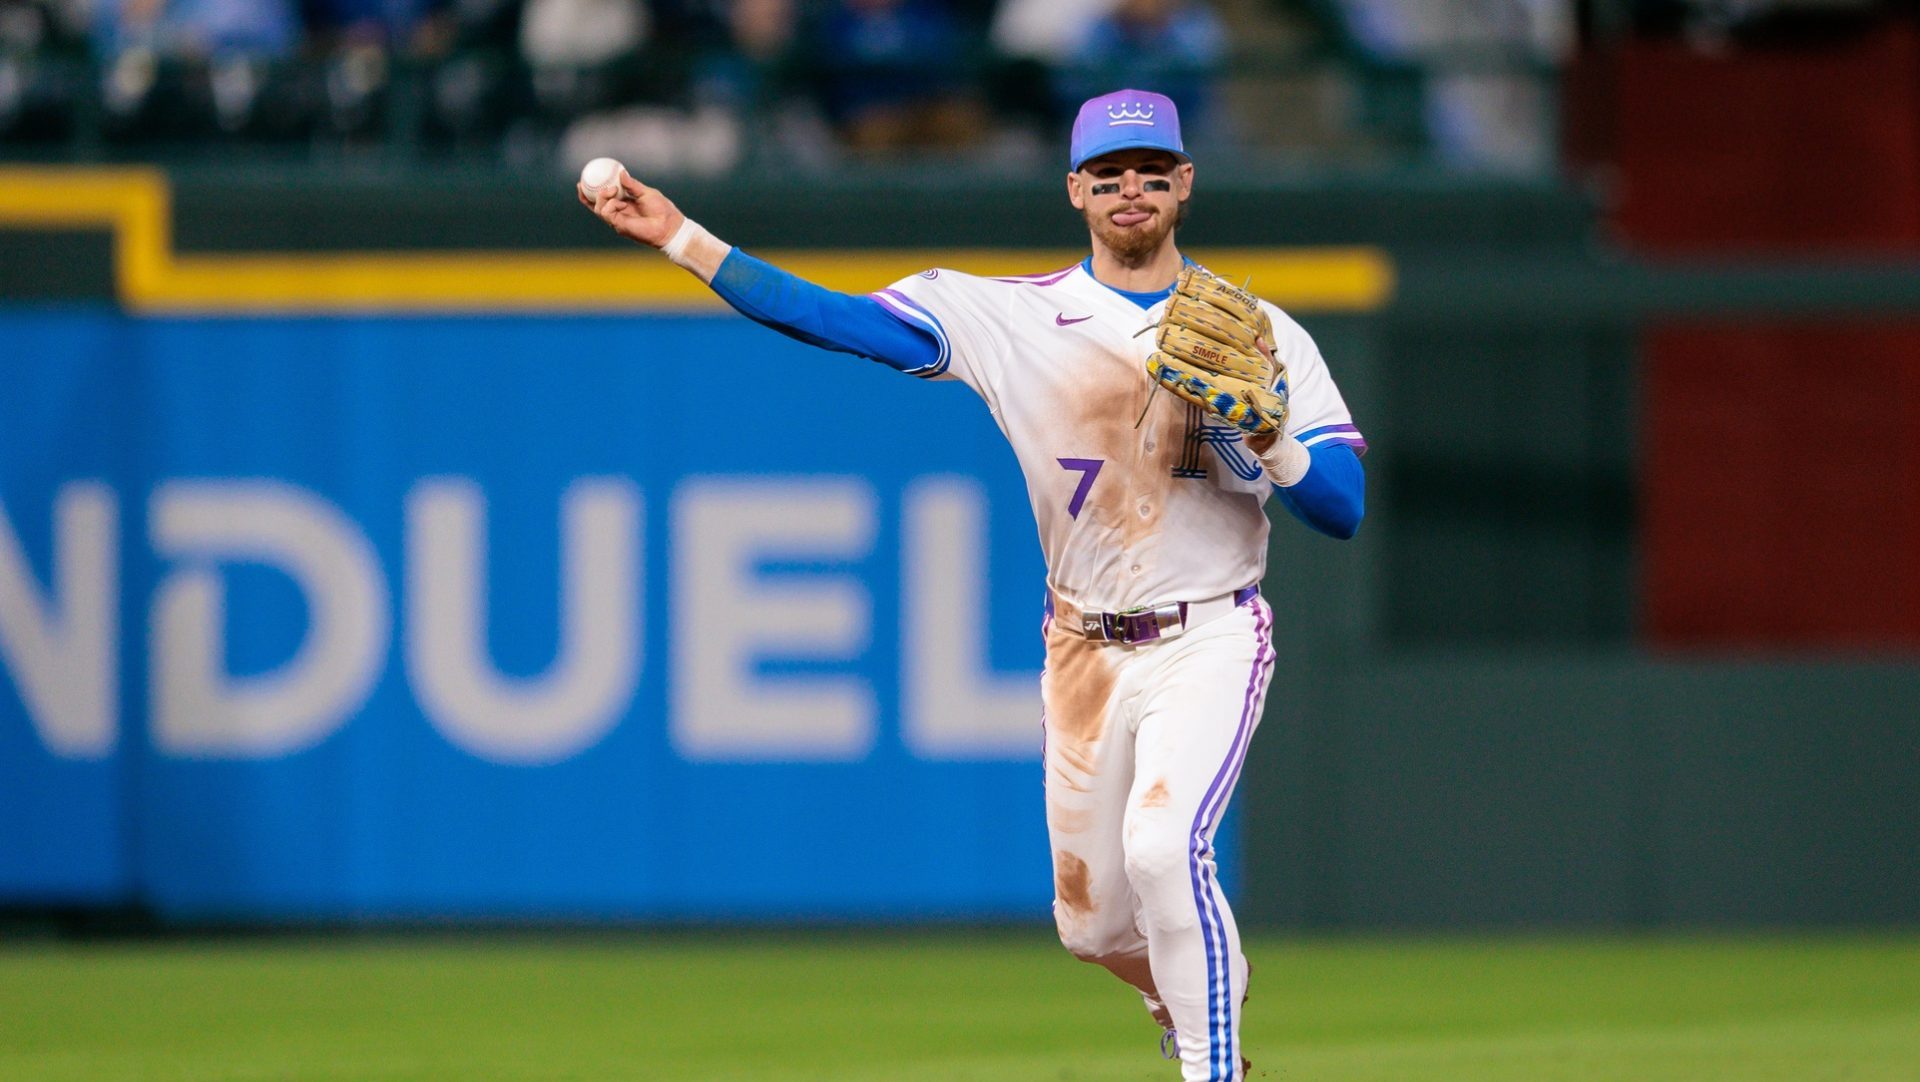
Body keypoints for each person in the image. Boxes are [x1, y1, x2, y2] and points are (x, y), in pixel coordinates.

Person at [579, 88, 1366, 1082]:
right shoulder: (1010, 315)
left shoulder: (1261, 335)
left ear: (1184, 185)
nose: (1133, 190)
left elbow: (1342, 506)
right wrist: (684, 237)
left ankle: (1215, 1065)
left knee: (1166, 849)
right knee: (1089, 927)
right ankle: (1187, 985)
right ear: (1076, 188)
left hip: (1207, 631)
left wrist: (1268, 434)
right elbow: (838, 321)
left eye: (1152, 172)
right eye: (1111, 174)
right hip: (1084, 646)